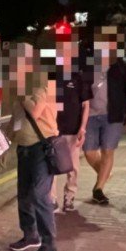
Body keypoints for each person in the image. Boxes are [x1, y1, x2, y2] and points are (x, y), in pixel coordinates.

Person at [5, 43, 61, 251]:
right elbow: (17, 118)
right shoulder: (20, 86)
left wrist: (20, 94)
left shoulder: (42, 82)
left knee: (39, 195)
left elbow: (35, 111)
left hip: (42, 146)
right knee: (24, 194)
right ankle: (30, 235)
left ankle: (50, 245)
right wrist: (7, 143)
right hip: (25, 148)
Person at [83, 26, 126, 205]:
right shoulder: (88, 65)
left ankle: (98, 189)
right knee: (89, 152)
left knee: (108, 151)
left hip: (113, 117)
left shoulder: (122, 67)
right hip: (90, 116)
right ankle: (105, 173)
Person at [50, 32, 91, 212]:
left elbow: (86, 105)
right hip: (52, 130)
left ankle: (70, 197)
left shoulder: (79, 78)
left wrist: (83, 128)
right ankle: (52, 200)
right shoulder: (50, 76)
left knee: (72, 168)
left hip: (73, 131)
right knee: (51, 167)